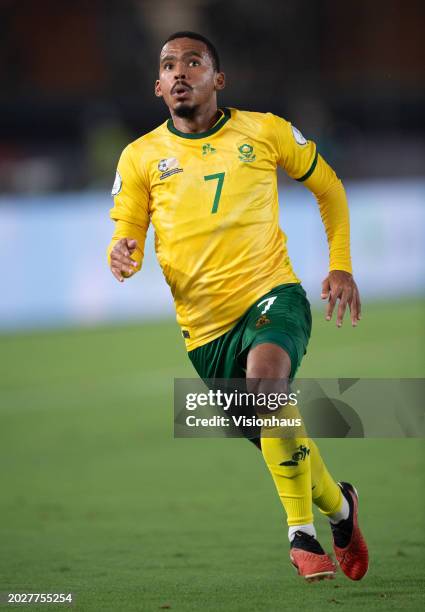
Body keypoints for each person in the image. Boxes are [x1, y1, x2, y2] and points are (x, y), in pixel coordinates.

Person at [107, 31, 368, 582]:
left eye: (193, 62)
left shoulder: (265, 131)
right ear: (157, 86)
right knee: (280, 432)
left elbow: (329, 188)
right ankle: (341, 508)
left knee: (268, 391)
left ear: (217, 79)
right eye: (168, 66)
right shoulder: (141, 157)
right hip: (204, 333)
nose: (180, 72)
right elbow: (128, 224)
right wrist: (123, 248)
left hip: (273, 296)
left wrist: (339, 263)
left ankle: (301, 534)